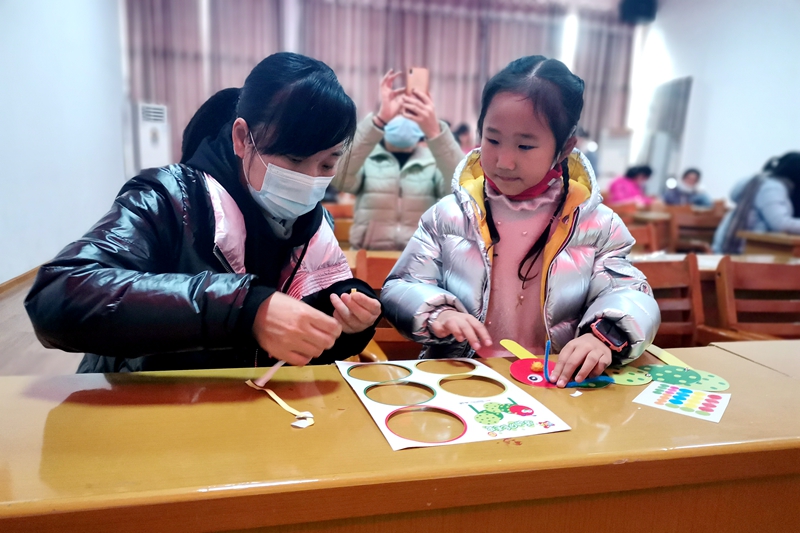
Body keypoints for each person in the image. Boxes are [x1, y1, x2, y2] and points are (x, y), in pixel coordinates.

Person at [25, 53, 382, 373]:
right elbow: (59, 295)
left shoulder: (315, 226)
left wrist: (341, 324)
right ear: (242, 138)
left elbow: (289, 359)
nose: (310, 179)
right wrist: (244, 310)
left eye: (327, 164)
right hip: (139, 406)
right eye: (294, 158)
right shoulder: (168, 198)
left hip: (247, 411)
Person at [381, 56, 660, 388]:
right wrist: (437, 313)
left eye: (525, 145)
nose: (504, 161)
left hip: (555, 382)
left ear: (564, 148)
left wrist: (603, 336)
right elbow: (401, 285)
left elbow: (630, 292)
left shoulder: (596, 224)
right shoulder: (449, 215)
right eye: (492, 139)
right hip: (461, 377)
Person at [331, 69, 463, 250]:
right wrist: (379, 121)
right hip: (368, 256)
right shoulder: (366, 157)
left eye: (409, 112)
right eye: (396, 112)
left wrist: (435, 132)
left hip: (418, 258)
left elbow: (459, 186)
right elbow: (339, 176)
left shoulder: (434, 161)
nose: (402, 118)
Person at [713, 152, 800, 254]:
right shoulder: (772, 188)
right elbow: (781, 224)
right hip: (746, 248)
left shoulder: (756, 180)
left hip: (730, 243)